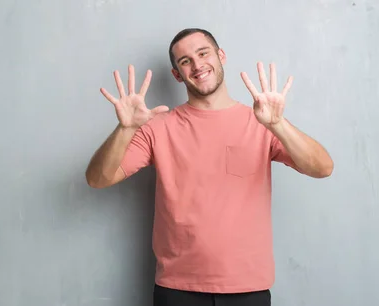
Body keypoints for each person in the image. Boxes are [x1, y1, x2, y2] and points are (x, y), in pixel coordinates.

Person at [85, 28, 334, 306]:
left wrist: (278, 125)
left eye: (203, 53)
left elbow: (322, 168)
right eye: (185, 61)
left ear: (221, 56)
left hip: (248, 287)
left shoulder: (261, 122)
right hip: (177, 287)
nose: (197, 64)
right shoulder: (157, 127)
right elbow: (98, 178)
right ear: (177, 74)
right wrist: (125, 129)